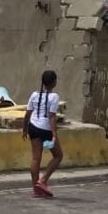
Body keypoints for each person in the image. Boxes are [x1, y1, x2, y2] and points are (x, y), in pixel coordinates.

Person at [23, 70, 64, 198]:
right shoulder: (54, 97)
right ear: (54, 82)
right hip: (46, 130)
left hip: (33, 128)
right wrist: (54, 134)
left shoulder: (34, 95)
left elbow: (28, 113)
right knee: (57, 155)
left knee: (36, 158)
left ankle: (36, 189)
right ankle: (43, 180)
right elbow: (51, 117)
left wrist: (24, 129)